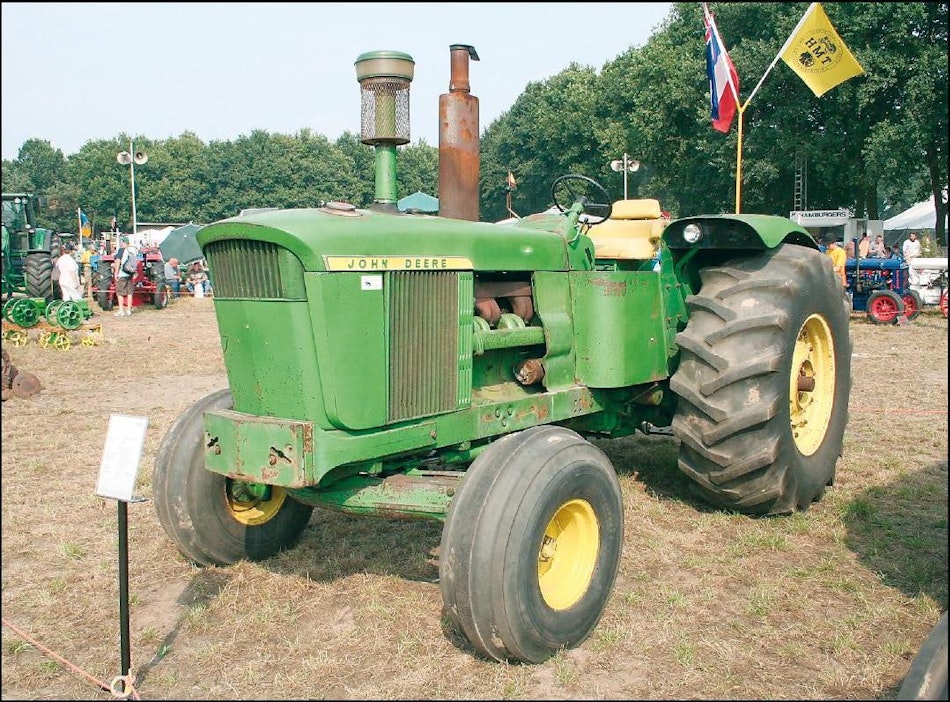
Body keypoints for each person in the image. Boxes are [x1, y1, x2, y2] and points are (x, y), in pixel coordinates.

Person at [113, 236, 138, 316]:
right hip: (130, 274)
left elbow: (118, 261)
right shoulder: (133, 251)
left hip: (122, 273)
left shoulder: (121, 250)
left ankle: (121, 310)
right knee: (129, 292)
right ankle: (129, 310)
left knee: (120, 292)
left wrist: (116, 273)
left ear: (123, 243)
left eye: (121, 242)